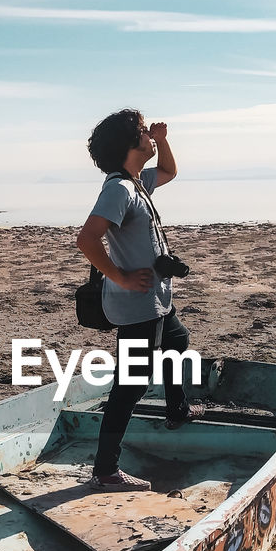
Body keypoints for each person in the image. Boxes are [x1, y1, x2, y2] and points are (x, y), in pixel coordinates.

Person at [76, 108, 198, 492]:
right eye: (144, 132)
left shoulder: (137, 182)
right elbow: (87, 239)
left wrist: (163, 140)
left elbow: (169, 172)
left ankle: (177, 409)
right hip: (135, 305)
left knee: (178, 341)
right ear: (129, 145)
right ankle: (106, 472)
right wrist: (121, 276)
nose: (149, 135)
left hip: (155, 299)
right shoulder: (119, 189)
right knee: (130, 386)